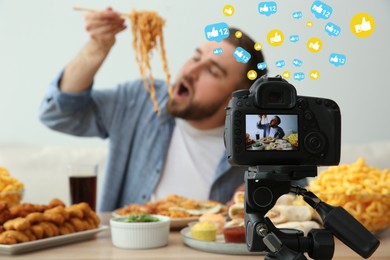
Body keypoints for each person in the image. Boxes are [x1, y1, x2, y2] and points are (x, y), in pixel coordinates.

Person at [38, 7, 268, 212]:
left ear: (236, 99)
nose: (190, 71)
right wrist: (96, 48)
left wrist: (271, 194)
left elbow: (296, 189)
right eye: (195, 57)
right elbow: (58, 115)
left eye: (212, 71)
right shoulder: (142, 98)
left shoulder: (259, 138)